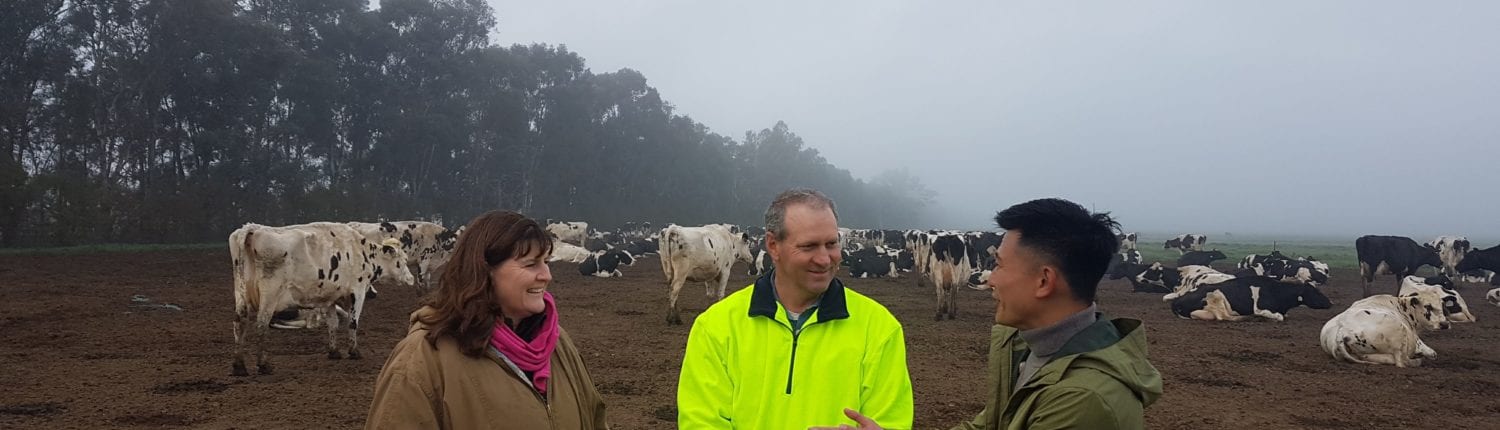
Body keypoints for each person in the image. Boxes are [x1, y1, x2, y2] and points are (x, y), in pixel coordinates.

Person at [677, 188, 914, 429]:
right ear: (773, 246)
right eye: (809, 246)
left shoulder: (879, 329)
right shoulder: (716, 327)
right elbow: (701, 423)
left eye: (831, 244)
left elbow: (892, 422)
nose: (824, 259)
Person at [366, 211, 608, 429]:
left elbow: (595, 418)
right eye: (531, 264)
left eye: (545, 261)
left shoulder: (557, 343)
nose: (546, 275)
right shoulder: (422, 360)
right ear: (485, 271)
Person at [951, 198, 1162, 430]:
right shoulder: (1028, 349)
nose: (991, 279)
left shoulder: (1082, 400)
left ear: (1044, 281)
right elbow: (989, 424)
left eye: (999, 265)